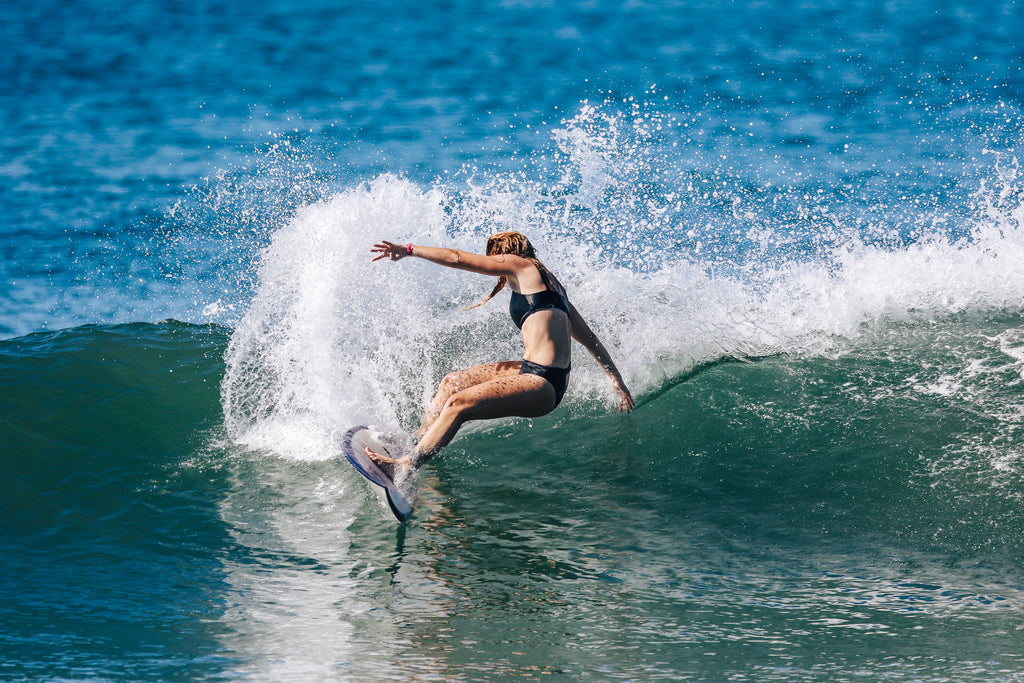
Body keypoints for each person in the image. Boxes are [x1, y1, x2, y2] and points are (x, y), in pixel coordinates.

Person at [368, 231, 634, 480]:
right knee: (452, 383)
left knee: (458, 404)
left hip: (543, 384)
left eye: (494, 256)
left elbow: (457, 258)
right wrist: (615, 379)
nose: (494, 264)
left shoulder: (520, 265)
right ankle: (416, 443)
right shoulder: (552, 285)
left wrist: (408, 249)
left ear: (504, 253)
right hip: (534, 371)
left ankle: (406, 466)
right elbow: (590, 338)